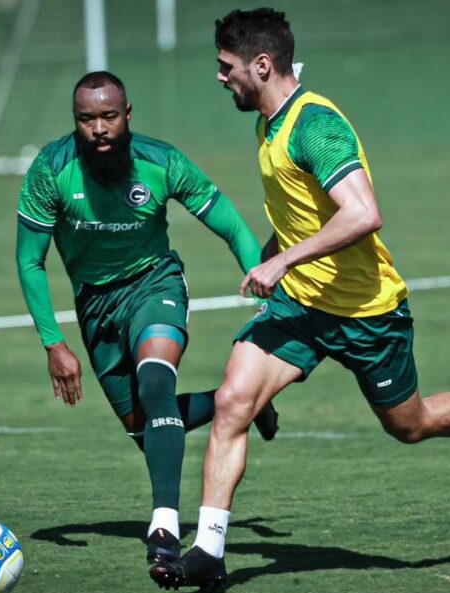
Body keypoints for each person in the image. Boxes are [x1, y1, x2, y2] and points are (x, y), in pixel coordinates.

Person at [149, 8, 450, 593]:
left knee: (409, 425)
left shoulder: (315, 125)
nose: (220, 76)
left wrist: (283, 260)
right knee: (233, 401)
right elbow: (299, 213)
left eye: (225, 66)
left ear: (262, 65)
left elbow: (363, 214)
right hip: (300, 310)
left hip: (368, 312)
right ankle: (208, 551)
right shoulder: (268, 123)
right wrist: (272, 254)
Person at [15, 71, 279, 567]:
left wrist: (266, 288)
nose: (98, 129)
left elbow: (230, 225)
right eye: (86, 119)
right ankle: (243, 403)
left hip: (154, 284)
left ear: (128, 114)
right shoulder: (51, 169)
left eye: (109, 116)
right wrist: (54, 344)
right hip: (95, 306)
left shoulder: (162, 161)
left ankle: (164, 526)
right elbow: (30, 260)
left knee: (155, 383)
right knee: (143, 426)